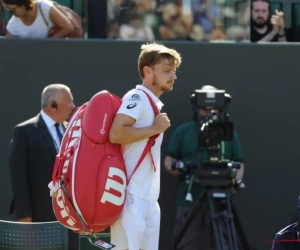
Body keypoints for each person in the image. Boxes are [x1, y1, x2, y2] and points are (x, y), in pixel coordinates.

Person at [109, 42, 182, 250]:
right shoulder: (137, 97)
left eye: (174, 71)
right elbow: (116, 133)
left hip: (149, 201)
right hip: (130, 198)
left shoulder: (152, 103)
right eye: (167, 71)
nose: (173, 76)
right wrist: (154, 128)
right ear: (148, 71)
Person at [164, 85, 245, 250]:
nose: (209, 114)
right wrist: (173, 166)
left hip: (221, 199)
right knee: (186, 243)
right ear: (197, 109)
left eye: (213, 110)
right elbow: (169, 158)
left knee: (223, 242)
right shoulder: (184, 131)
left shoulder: (227, 133)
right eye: (205, 110)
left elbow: (239, 162)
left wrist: (234, 182)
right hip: (190, 197)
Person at [8, 83, 79, 250]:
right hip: (40, 217)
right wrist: (25, 218)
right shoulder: (25, 131)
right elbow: (19, 178)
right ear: (52, 105)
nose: (72, 106)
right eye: (69, 102)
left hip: (70, 217)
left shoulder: (71, 131)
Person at [2, 0, 74, 38]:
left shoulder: (44, 7)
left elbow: (68, 27)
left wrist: (50, 42)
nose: (11, 13)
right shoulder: (13, 23)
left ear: (22, 5)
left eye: (12, 10)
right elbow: (7, 45)